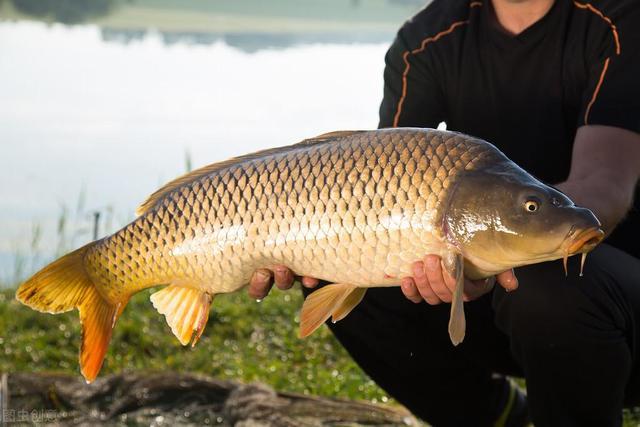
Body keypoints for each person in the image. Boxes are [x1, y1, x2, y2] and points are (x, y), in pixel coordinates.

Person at [248, 0, 640, 425]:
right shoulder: (427, 38)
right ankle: (497, 416)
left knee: (550, 283)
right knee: (348, 266)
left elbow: (605, 186)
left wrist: (493, 253)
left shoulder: (619, 22)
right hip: (498, 297)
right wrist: (285, 242)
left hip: (617, 304)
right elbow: (379, 181)